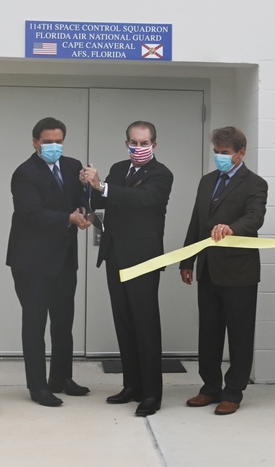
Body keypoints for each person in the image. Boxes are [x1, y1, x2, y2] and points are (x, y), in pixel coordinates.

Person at [82, 121, 174, 417]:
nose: (138, 148)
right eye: (133, 143)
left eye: (144, 143)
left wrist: (104, 187)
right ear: (127, 144)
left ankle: (151, 394)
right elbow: (100, 200)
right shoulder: (119, 168)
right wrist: (89, 183)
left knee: (145, 325)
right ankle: (131, 385)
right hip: (115, 255)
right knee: (124, 323)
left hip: (143, 258)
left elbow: (143, 200)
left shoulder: (161, 175)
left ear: (154, 145)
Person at [179, 126, 268, 416]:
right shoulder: (206, 182)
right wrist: (187, 260)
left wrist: (232, 228)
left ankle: (233, 392)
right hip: (207, 269)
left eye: (225, 153)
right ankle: (209, 388)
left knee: (239, 334)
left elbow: (254, 218)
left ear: (241, 153)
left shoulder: (255, 184)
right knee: (209, 332)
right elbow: (197, 221)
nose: (220, 157)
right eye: (216, 152)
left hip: (238, 272)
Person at [7, 117, 92, 407]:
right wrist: (68, 218)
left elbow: (81, 199)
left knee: (63, 322)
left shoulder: (72, 166)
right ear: (35, 142)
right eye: (47, 142)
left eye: (58, 141)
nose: (53, 146)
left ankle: (61, 378)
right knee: (35, 324)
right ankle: (38, 387)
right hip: (32, 262)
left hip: (64, 259)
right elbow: (30, 213)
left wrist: (84, 210)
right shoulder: (24, 173)